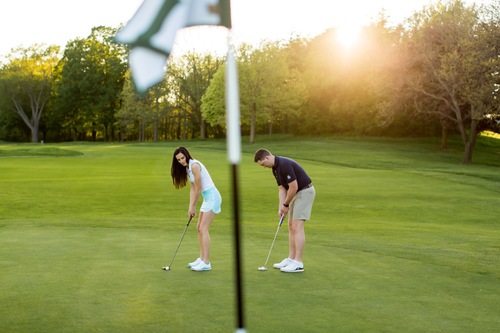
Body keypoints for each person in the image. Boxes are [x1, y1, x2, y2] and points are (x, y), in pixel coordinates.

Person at [254, 148, 315, 273]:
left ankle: (298, 262)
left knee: (297, 227)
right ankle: (291, 259)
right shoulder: (275, 169)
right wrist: (281, 207)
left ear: (267, 158)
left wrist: (286, 204)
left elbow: (294, 186)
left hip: (304, 192)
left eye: (263, 164)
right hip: (295, 194)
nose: (264, 167)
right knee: (291, 226)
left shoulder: (284, 164)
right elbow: (282, 189)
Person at [170, 147, 222, 272]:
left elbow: (198, 188)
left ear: (187, 155)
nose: (181, 161)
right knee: (199, 228)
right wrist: (190, 207)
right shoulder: (188, 169)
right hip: (206, 198)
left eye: (182, 158)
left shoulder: (195, 166)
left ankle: (206, 262)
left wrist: (194, 206)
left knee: (203, 228)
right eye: (178, 160)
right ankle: (201, 258)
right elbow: (192, 189)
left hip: (213, 197)